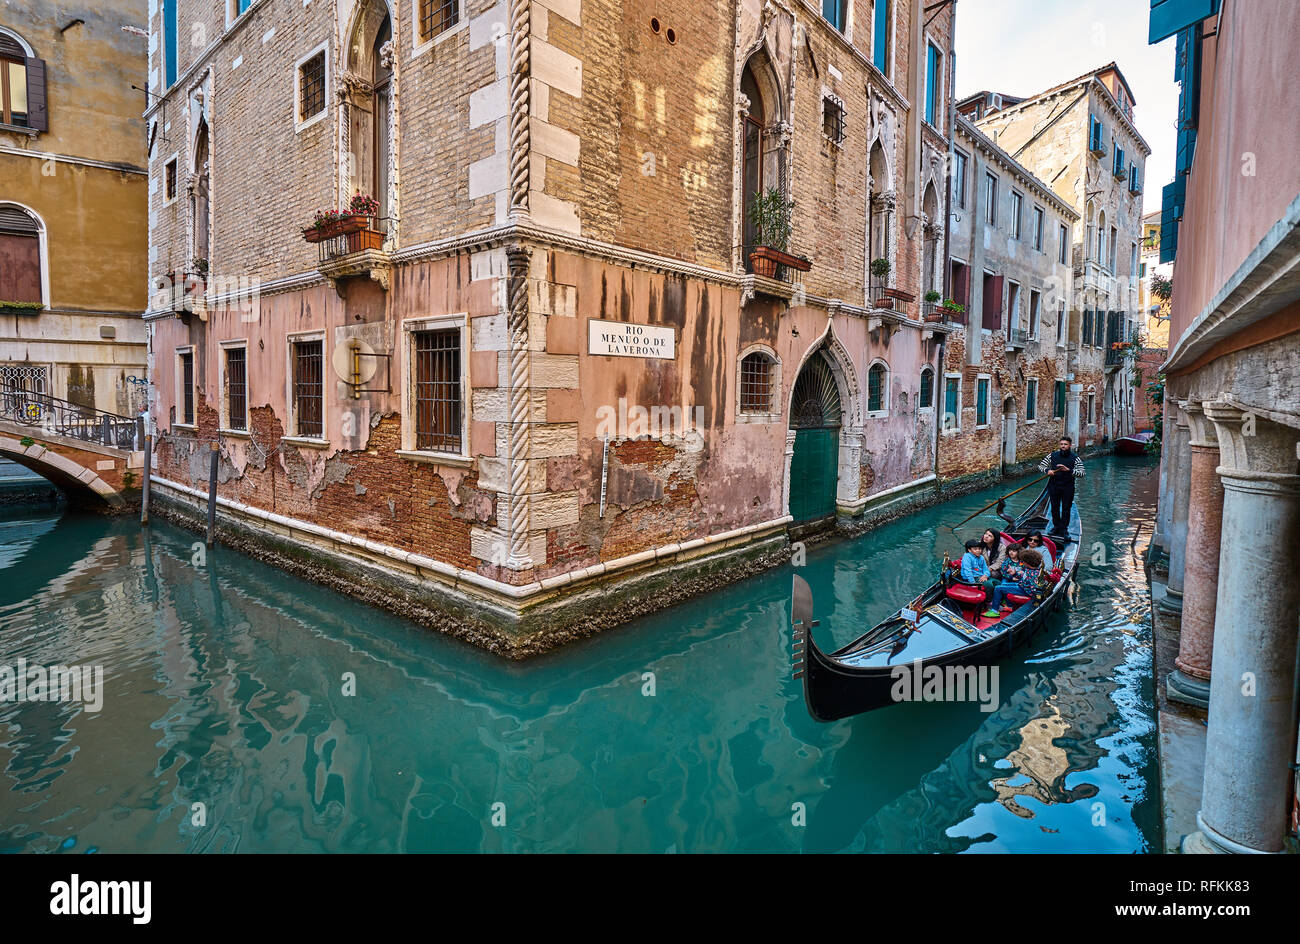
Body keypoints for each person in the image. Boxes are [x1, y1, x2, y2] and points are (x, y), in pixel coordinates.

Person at [1038, 437, 1084, 541]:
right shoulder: (1052, 456)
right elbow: (1041, 466)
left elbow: (1082, 473)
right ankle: (1056, 527)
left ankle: (1064, 529)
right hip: (1054, 486)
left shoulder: (1075, 458)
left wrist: (1069, 470)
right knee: (1054, 507)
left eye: (1065, 444)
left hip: (1068, 487)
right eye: (1062, 444)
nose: (1063, 446)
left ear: (1070, 445)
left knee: (1066, 508)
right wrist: (1047, 470)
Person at [986, 548, 1045, 616]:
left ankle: (994, 610)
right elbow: (1024, 576)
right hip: (1022, 586)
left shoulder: (1033, 574)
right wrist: (1015, 573)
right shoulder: (1032, 569)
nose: (1022, 563)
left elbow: (1033, 588)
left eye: (1023, 561)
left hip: (1025, 591)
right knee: (1003, 585)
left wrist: (1023, 586)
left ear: (1027, 562)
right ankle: (1009, 606)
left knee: (998, 588)